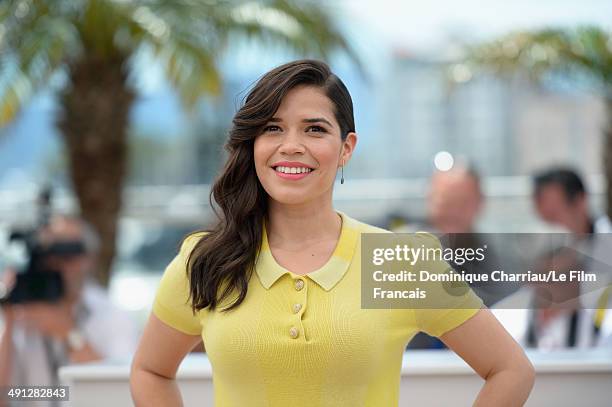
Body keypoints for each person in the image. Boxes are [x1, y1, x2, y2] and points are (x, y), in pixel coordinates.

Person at [130, 59, 535, 406]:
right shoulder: (205, 260)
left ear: (346, 147)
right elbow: (150, 370)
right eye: (272, 128)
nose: (291, 145)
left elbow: (510, 369)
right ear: (252, 143)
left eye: (315, 129)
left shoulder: (395, 263)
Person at [0, 215, 138, 396]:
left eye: (68, 255)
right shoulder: (16, 312)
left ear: (90, 259)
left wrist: (69, 333)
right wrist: (8, 319)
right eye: (48, 256)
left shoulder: (111, 315)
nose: (57, 265)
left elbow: (121, 392)